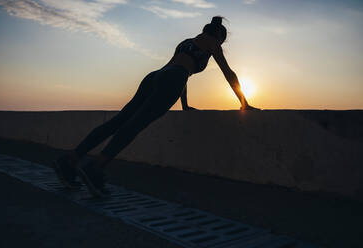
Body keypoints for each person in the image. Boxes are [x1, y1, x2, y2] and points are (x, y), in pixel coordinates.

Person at [53, 16, 258, 197]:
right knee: (135, 125)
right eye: (222, 39)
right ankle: (95, 168)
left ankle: (70, 161)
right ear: (219, 36)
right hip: (172, 79)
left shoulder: (186, 42)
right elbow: (227, 73)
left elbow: (179, 69)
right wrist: (244, 103)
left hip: (155, 76)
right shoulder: (213, 43)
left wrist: (184, 105)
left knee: (118, 122)